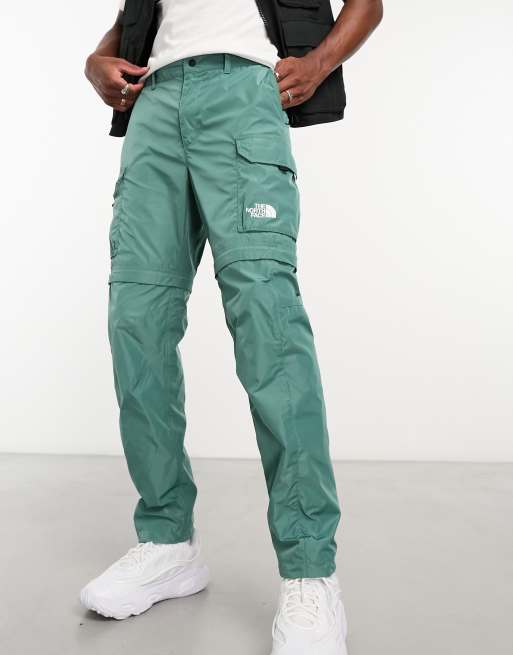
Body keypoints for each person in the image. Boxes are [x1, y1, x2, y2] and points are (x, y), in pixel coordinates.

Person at [81, 1, 383, 653]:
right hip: (154, 103)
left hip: (244, 90)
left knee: (267, 326)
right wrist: (97, 58)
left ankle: (309, 569)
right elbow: (137, 15)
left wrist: (320, 62)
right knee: (136, 321)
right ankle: (167, 541)